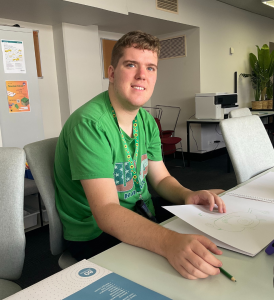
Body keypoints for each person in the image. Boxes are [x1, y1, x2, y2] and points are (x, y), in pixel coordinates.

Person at [54, 30, 227, 280]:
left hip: (139, 208)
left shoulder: (145, 120)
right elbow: (106, 212)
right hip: (94, 230)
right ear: (112, 73)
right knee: (171, 270)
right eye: (131, 64)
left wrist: (188, 195)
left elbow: (160, 178)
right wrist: (168, 242)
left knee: (208, 225)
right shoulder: (89, 124)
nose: (142, 76)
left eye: (151, 68)